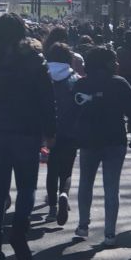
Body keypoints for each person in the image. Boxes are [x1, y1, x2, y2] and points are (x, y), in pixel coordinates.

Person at [0, 12, 56, 260]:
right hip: (26, 129)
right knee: (27, 187)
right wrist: (50, 131)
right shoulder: (35, 59)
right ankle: (19, 230)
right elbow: (47, 99)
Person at [72, 46, 131, 245]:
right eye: (114, 60)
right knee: (111, 187)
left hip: (89, 140)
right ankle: (110, 232)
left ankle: (83, 225)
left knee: (86, 183)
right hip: (115, 139)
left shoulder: (82, 85)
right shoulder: (120, 84)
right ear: (108, 64)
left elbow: (72, 113)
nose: (118, 63)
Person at [45, 42, 80, 225]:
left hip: (50, 129)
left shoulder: (44, 75)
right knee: (66, 169)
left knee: (51, 168)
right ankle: (64, 194)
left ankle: (51, 208)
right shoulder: (74, 78)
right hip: (70, 129)